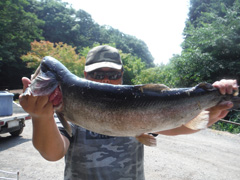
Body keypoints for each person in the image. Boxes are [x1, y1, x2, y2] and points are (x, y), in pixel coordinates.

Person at [19, 45, 238, 180]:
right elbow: (52, 153)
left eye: (113, 74)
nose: (106, 79)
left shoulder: (138, 103)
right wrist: (41, 117)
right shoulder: (66, 109)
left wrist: (214, 107)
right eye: (97, 73)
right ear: (85, 74)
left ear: (122, 75)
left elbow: (178, 127)